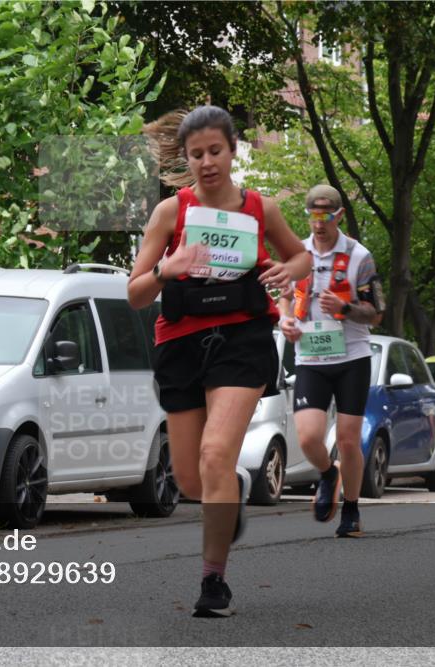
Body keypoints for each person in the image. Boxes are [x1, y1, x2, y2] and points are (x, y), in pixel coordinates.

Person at [128, 106, 311, 617]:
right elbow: (136, 295)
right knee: (191, 480)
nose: (207, 162)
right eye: (196, 154)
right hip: (181, 344)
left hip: (242, 339)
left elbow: (301, 257)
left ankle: (214, 582)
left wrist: (287, 270)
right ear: (185, 159)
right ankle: (234, 487)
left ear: (232, 151)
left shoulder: (259, 208)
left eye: (215, 151)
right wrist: (167, 269)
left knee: (214, 454)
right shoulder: (170, 212)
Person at [277, 185, 385, 538]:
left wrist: (345, 308)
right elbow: (283, 296)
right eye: (313, 215)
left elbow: (376, 313)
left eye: (326, 215)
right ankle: (327, 473)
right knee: (309, 437)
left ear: (338, 215)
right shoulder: (297, 254)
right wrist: (285, 320)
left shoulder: (359, 256)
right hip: (310, 357)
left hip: (352, 356)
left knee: (348, 439)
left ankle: (351, 510)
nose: (319, 223)